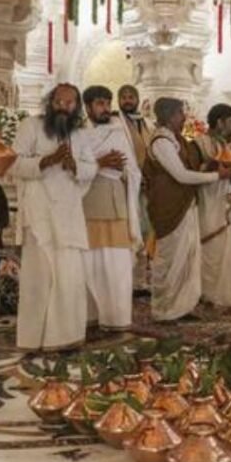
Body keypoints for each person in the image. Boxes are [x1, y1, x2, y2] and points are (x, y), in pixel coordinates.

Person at [10, 83, 97, 351]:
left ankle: (66, 338)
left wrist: (75, 165)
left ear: (76, 107)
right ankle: (34, 340)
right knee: (39, 278)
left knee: (69, 277)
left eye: (70, 103)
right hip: (39, 215)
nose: (64, 107)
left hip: (69, 214)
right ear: (50, 102)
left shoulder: (81, 135)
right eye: (59, 101)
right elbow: (13, 162)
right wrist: (47, 161)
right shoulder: (31, 126)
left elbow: (91, 166)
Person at [145, 97, 231, 321]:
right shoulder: (161, 142)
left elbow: (192, 167)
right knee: (171, 258)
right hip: (169, 208)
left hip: (186, 205)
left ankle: (182, 308)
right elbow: (181, 175)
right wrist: (216, 175)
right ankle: (164, 310)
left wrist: (211, 166)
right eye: (180, 114)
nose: (184, 118)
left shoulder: (178, 140)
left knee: (188, 258)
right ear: (169, 116)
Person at [79, 85, 142, 332]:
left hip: (117, 203)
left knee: (117, 267)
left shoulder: (118, 131)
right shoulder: (78, 133)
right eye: (99, 104)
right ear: (87, 107)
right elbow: (73, 165)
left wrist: (122, 170)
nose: (105, 108)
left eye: (107, 103)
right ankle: (90, 318)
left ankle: (117, 319)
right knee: (89, 266)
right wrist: (100, 163)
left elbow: (133, 168)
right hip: (87, 203)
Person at [192, 103, 231, 308]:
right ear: (219, 122)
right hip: (211, 201)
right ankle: (209, 294)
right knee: (214, 248)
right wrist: (216, 165)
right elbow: (194, 172)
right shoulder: (201, 143)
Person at [117, 84, 153, 294]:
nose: (128, 101)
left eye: (131, 97)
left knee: (146, 230)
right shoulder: (115, 124)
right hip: (126, 185)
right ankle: (128, 280)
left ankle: (141, 280)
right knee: (129, 230)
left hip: (147, 186)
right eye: (124, 97)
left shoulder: (146, 123)